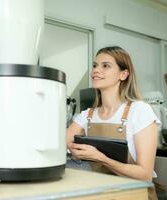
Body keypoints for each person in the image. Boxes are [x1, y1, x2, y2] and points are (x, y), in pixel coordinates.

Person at [66, 46, 159, 199]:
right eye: (95, 65)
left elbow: (145, 175)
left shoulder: (140, 111)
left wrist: (101, 158)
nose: (96, 70)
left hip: (135, 194)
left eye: (105, 66)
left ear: (123, 74)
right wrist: (73, 149)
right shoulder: (87, 115)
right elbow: (58, 145)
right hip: (102, 193)